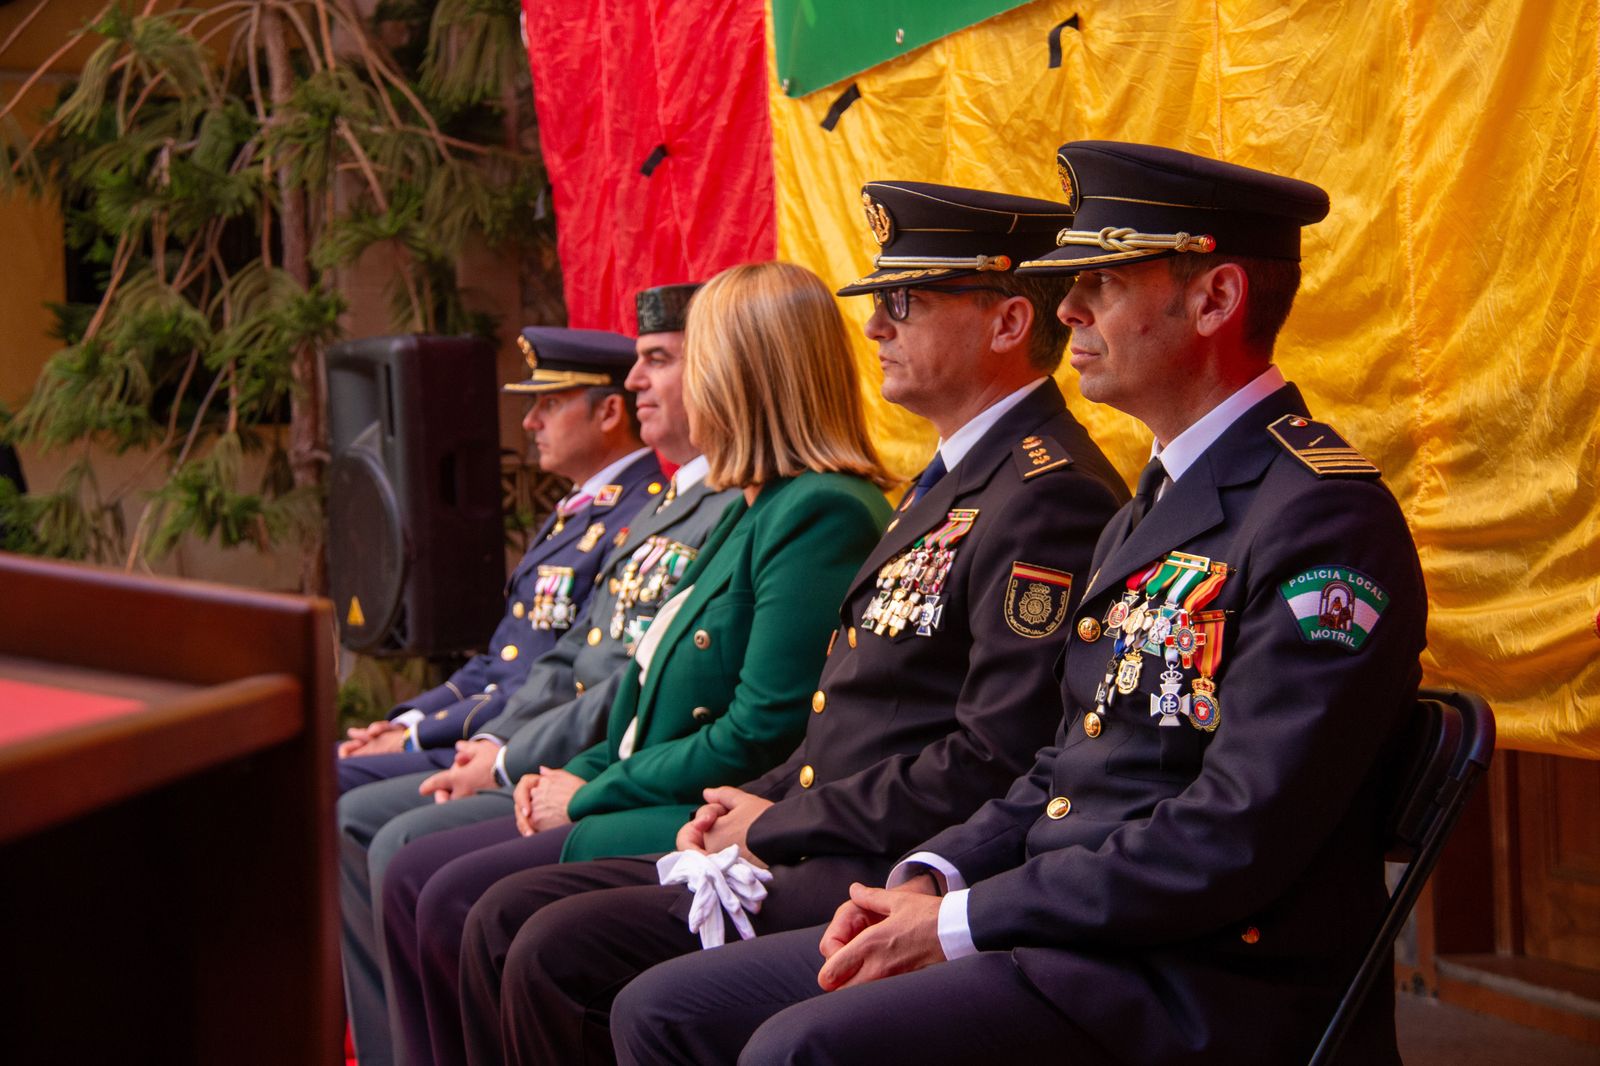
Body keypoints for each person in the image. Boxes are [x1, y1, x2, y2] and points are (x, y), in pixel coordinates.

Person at [609, 141, 1429, 1066]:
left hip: (1194, 983)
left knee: (798, 1050)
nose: (1068, 308)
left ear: (1216, 299)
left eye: (1105, 282)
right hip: (1073, 934)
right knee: (666, 1012)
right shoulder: (1157, 502)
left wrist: (963, 919)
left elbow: (1235, 833)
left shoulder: (1319, 515)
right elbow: (1064, 762)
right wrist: (937, 870)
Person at [451, 182, 1130, 1065]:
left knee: (557, 951)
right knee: (521, 925)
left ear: (1004, 324)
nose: (877, 328)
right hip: (820, 830)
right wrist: (762, 799)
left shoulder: (1047, 494)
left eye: (904, 302)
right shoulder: (953, 480)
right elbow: (848, 719)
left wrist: (773, 823)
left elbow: (991, 754)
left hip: (882, 858)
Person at [376, 260, 895, 1066]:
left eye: (694, 357)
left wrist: (588, 793)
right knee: (446, 889)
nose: (664, 381)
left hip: (710, 807)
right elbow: (640, 684)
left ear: (749, 372)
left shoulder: (820, 507)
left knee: (480, 907)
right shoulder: (753, 503)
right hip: (660, 789)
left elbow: (762, 727)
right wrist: (571, 773)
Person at [338, 284, 744, 1066]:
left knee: (405, 848)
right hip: (575, 753)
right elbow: (543, 658)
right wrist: (450, 731)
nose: (636, 381)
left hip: (644, 776)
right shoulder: (661, 509)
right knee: (382, 827)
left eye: (657, 361)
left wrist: (514, 759)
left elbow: (636, 684)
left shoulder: (727, 506)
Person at [335, 327, 660, 794]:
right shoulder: (582, 509)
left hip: (530, 743)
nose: (530, 423)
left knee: (332, 786)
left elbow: (563, 673)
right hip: (489, 726)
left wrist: (415, 737)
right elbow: (500, 657)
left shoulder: (637, 515)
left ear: (609, 411)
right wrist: (407, 721)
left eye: (549, 404)